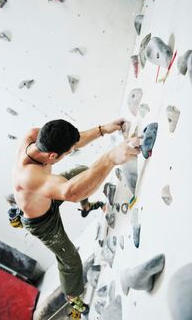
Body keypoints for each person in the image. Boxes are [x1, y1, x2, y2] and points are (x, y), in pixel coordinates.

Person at [12, 119, 140, 314]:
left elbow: (74, 141)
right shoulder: (29, 175)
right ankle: (73, 298)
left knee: (82, 172)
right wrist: (109, 159)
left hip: (45, 194)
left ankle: (86, 207)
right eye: (67, 153)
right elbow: (71, 193)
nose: (70, 152)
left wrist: (102, 129)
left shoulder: (36, 136)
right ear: (53, 155)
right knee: (70, 261)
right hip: (43, 222)